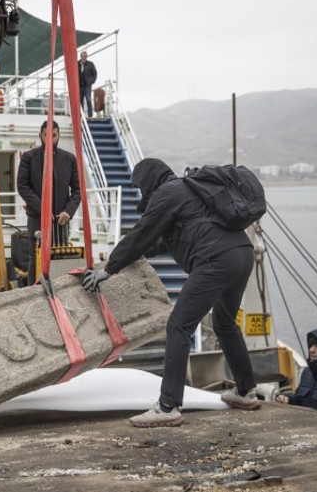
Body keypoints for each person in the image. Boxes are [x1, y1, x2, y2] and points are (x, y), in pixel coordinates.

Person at [82, 158, 260, 428]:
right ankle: (246, 392)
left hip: (215, 261)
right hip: (242, 255)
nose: (142, 193)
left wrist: (109, 269)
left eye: (141, 187)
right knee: (225, 324)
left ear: (149, 180)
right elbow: (165, 239)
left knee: (178, 325)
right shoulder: (189, 191)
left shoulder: (167, 193)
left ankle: (168, 406)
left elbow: (143, 232)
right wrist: (136, 256)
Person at [17, 120, 81, 284]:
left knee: (60, 256)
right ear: (40, 135)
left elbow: (77, 189)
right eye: (46, 135)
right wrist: (42, 208)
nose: (50, 139)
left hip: (62, 219)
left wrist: (69, 211)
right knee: (35, 257)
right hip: (37, 218)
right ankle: (34, 292)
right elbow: (22, 186)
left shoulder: (69, 159)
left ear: (58, 136)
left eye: (53, 135)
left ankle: (59, 292)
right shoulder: (28, 158)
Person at [78, 51, 97, 118]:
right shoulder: (77, 64)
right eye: (83, 56)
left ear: (86, 57)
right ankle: (81, 115)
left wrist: (91, 81)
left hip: (87, 85)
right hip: (80, 85)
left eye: (85, 56)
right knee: (80, 101)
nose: (84, 58)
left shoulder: (90, 64)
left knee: (88, 99)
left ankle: (90, 114)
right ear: (80, 57)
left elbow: (95, 74)